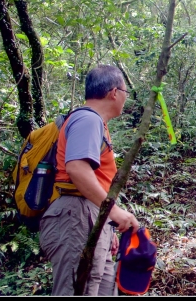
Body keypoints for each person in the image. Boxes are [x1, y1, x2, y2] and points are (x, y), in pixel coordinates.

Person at [40, 65, 140, 296]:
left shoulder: (97, 123)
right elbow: (77, 169)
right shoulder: (87, 120)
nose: (125, 99)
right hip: (76, 215)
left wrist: (107, 226)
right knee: (78, 290)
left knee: (102, 288)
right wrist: (114, 212)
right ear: (113, 92)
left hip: (90, 216)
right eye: (125, 92)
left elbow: (94, 179)